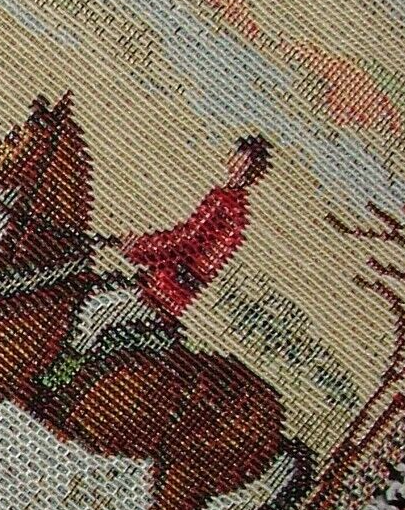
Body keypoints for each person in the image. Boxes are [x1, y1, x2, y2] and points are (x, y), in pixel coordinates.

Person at [38, 134, 273, 390]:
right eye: (239, 159)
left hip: (165, 288)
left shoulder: (225, 204)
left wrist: (137, 248)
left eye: (245, 165)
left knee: (95, 311)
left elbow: (184, 242)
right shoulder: (232, 208)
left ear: (254, 174)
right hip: (167, 284)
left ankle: (57, 382)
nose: (239, 167)